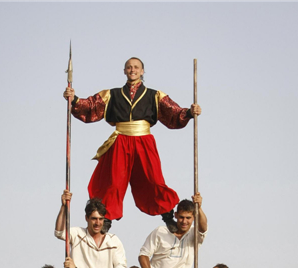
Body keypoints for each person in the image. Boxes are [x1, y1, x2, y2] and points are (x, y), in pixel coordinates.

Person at [63, 57, 201, 229]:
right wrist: (74, 99)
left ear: (142, 71)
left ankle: (166, 214)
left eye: (136, 67)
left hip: (144, 140)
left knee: (154, 178)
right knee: (114, 181)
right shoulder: (111, 94)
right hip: (120, 140)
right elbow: (90, 106)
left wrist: (188, 112)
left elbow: (173, 112)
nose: (132, 70)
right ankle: (106, 218)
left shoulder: (154, 95)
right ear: (124, 71)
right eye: (129, 67)